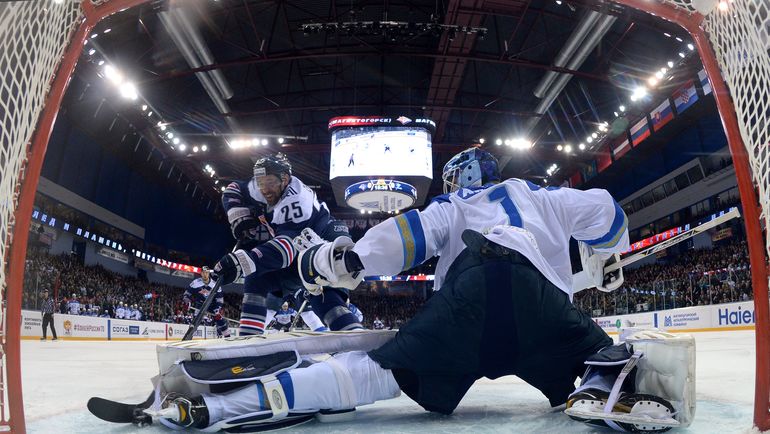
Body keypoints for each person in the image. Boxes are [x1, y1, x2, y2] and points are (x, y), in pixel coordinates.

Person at [153, 148, 690, 432]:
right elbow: (608, 212)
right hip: (547, 314)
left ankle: (229, 407)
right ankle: (620, 377)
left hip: (472, 293)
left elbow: (403, 239)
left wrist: (340, 260)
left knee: (377, 373)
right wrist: (601, 257)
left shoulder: (453, 205)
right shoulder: (542, 195)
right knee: (595, 359)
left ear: (460, 178)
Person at [213, 153, 361, 335]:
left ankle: (358, 345)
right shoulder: (258, 188)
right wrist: (238, 215)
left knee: (323, 298)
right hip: (299, 249)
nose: (264, 189)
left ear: (285, 179)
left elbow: (285, 250)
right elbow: (233, 189)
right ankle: (247, 342)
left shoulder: (297, 199)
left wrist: (244, 261)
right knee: (256, 278)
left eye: (269, 183)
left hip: (323, 244)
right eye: (260, 183)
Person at [183, 267, 230, 338]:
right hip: (200, 304)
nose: (205, 274)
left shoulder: (215, 284)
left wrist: (217, 309)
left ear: (209, 273)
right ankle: (189, 336)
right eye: (203, 272)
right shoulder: (195, 283)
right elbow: (187, 294)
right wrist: (187, 302)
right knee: (196, 320)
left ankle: (227, 336)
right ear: (201, 273)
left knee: (218, 318)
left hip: (212, 305)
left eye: (207, 272)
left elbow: (220, 299)